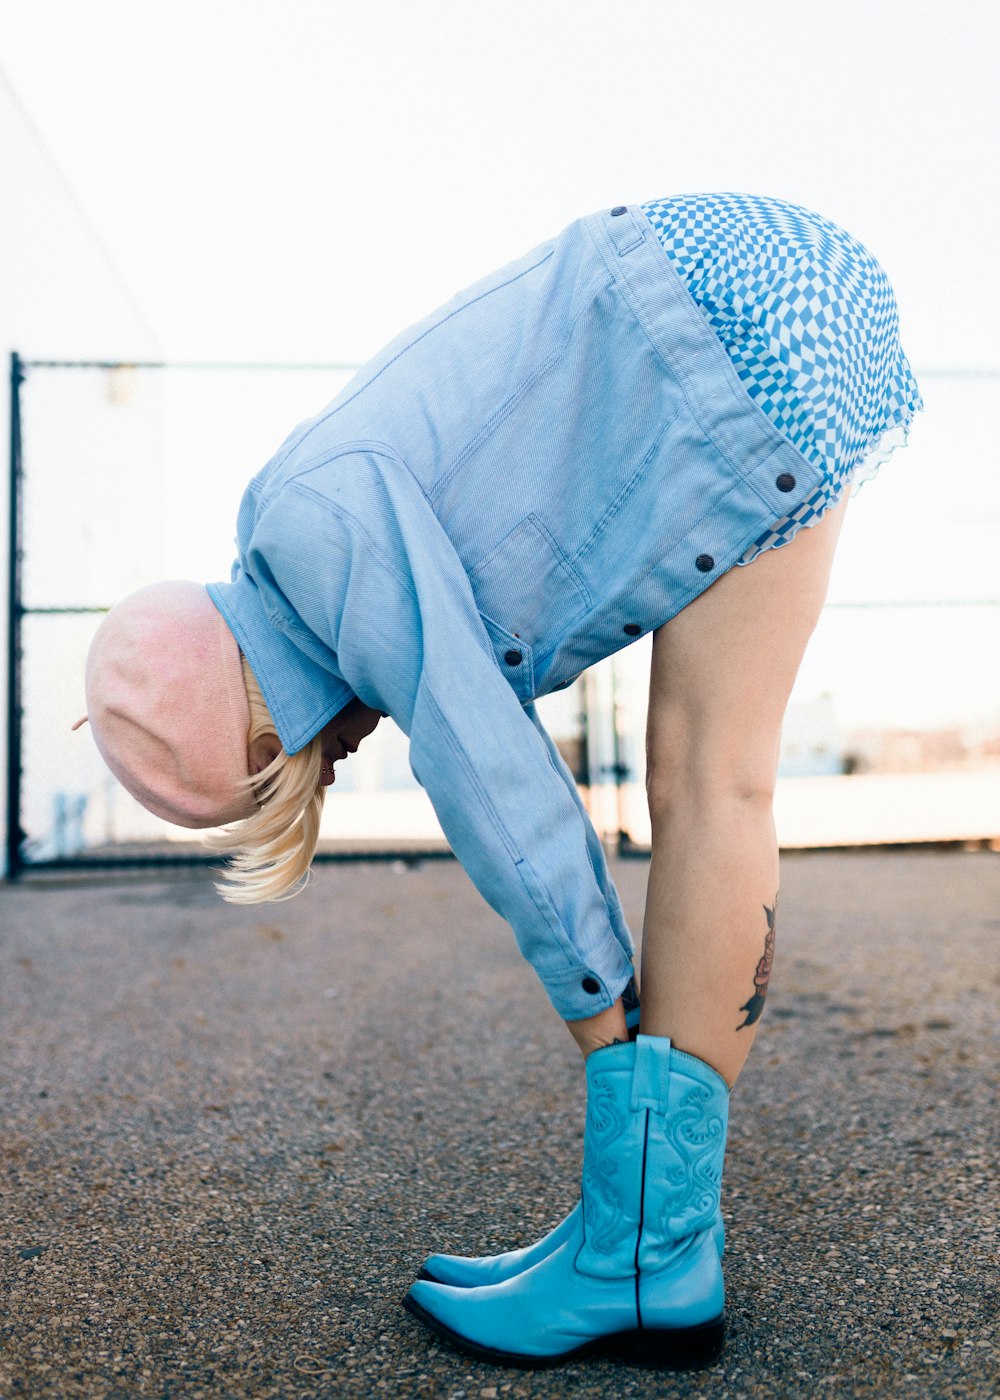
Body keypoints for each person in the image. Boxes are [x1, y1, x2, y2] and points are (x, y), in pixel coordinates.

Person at [77, 193, 921, 1370]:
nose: (346, 756)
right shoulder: (302, 514)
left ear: (265, 737)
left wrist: (600, 1020)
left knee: (708, 784)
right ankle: (646, 1242)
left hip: (698, 316)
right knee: (718, 785)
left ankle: (644, 1247)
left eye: (295, 773)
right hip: (782, 297)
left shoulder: (310, 536)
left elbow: (481, 755)